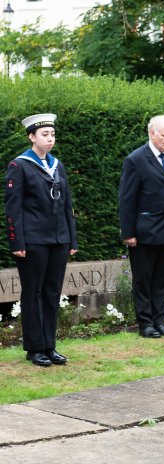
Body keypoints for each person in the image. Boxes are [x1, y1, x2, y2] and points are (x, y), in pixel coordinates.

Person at [4, 113, 77, 366]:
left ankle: (50, 345)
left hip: (58, 240)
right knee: (33, 293)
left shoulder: (58, 165)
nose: (50, 139)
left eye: (52, 134)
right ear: (32, 137)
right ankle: (35, 348)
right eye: (45, 135)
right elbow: (13, 210)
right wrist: (17, 243)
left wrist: (72, 239)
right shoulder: (19, 165)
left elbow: (67, 205)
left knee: (52, 292)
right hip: (33, 241)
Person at [119, 114, 164, 338]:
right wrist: (128, 233)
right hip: (145, 232)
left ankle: (160, 320)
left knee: (162, 279)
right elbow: (127, 199)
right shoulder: (136, 159)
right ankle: (145, 323)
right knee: (143, 280)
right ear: (151, 133)